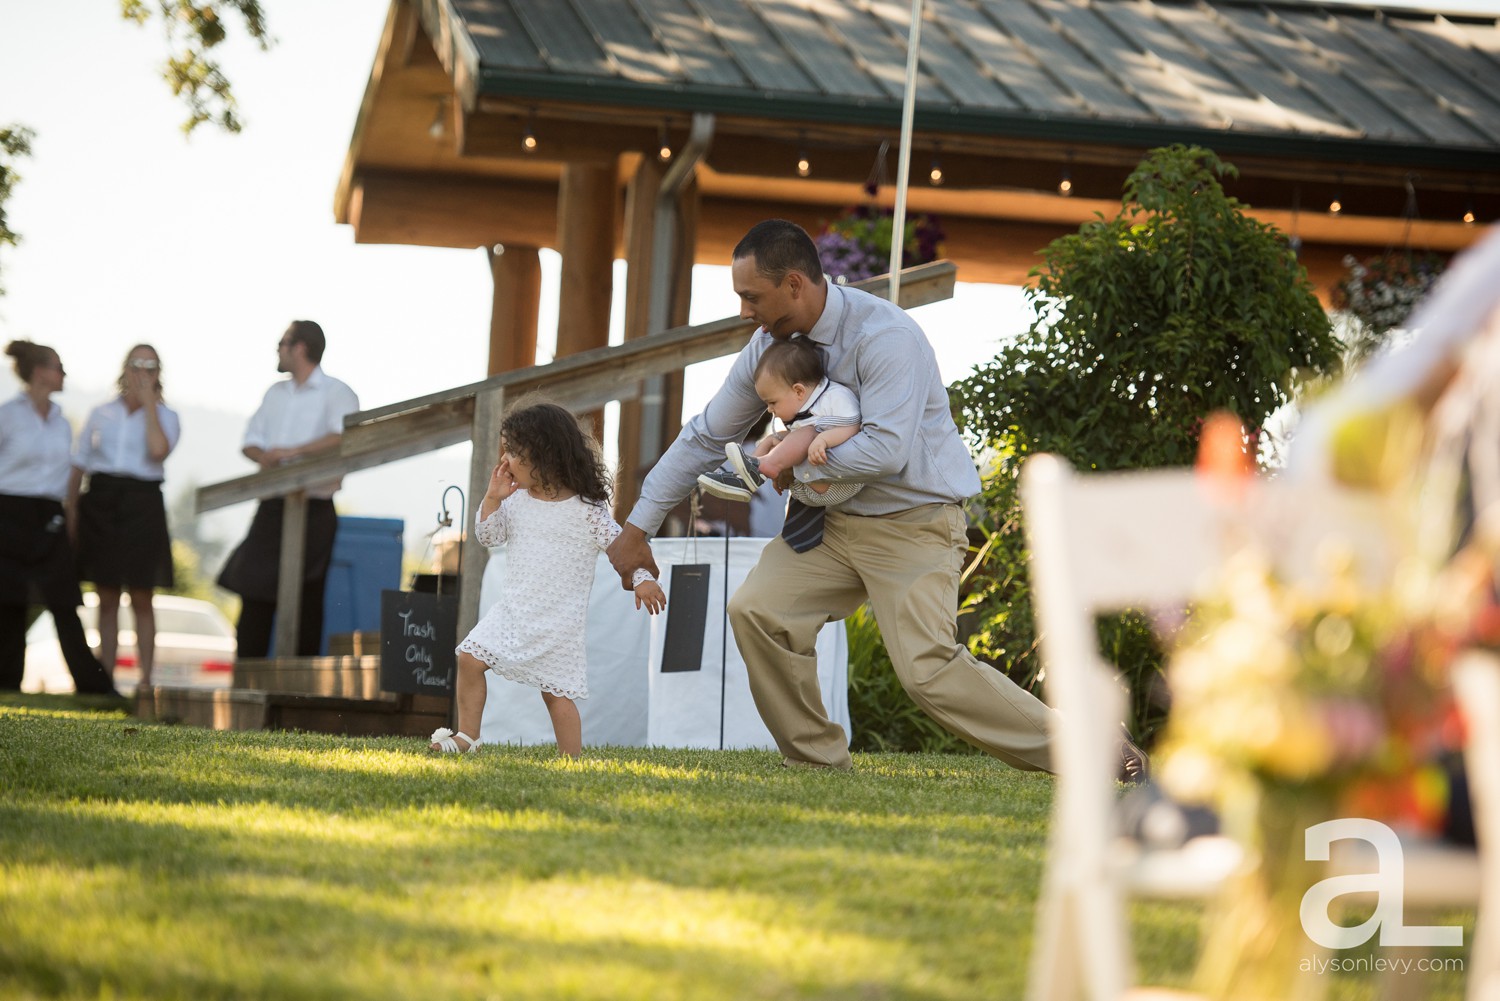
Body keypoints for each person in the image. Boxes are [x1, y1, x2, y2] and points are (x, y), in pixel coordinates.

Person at [609, 219, 1147, 777]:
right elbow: (705, 435)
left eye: (752, 296)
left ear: (794, 284)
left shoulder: (885, 336)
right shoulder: (766, 348)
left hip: (914, 523)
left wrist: (796, 464)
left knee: (927, 671)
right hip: (830, 527)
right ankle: (818, 765)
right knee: (758, 611)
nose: (746, 311)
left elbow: (885, 451)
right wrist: (637, 528)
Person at [429, 400, 666, 757]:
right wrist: (493, 499)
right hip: (513, 612)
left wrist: (644, 577)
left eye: (513, 452)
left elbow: (622, 549)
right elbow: (489, 537)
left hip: (558, 624)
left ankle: (571, 758)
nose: (505, 460)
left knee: (557, 694)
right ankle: (468, 737)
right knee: (468, 658)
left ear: (544, 456)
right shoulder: (516, 501)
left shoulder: (588, 511)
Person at [216, 321, 359, 658]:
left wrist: (291, 453)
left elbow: (344, 438)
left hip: (314, 508)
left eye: (282, 342)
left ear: (300, 348)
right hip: (273, 504)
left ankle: (298, 686)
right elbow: (251, 441)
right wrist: (266, 456)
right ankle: (246, 675)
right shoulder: (274, 393)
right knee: (254, 591)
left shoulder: (338, 392)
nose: (276, 349)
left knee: (307, 596)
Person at [0, 340, 120, 697]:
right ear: (40, 372)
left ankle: (94, 686)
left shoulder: (61, 422)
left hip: (49, 515)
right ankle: (6, 682)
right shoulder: (7, 414)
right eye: (58, 367)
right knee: (8, 602)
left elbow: (68, 479)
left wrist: (69, 520)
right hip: (8, 512)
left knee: (65, 601)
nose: (63, 374)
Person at [68, 344, 181, 691]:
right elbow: (79, 465)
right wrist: (70, 512)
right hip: (101, 502)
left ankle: (146, 681)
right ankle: (105, 679)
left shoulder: (169, 417)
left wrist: (149, 406)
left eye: (151, 366)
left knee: (143, 595)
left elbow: (158, 451)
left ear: (159, 372)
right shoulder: (101, 413)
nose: (143, 372)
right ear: (125, 368)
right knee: (106, 595)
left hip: (143, 503)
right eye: (137, 364)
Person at [696, 337, 863, 508]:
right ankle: (746, 479)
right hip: (808, 481)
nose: (769, 410)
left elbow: (853, 427)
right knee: (771, 439)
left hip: (838, 483)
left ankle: (767, 465)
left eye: (773, 402)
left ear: (799, 391)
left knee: (809, 433)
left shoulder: (834, 397)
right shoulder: (805, 408)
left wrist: (824, 439)